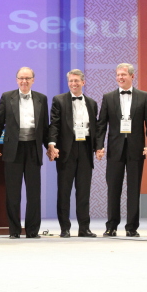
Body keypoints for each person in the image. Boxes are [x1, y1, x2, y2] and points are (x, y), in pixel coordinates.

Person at [95, 63, 147, 237]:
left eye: (123, 74)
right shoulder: (108, 97)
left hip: (136, 149)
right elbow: (102, 125)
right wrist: (99, 146)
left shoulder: (144, 97)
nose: (120, 77)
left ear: (132, 76)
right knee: (113, 188)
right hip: (115, 149)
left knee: (133, 188)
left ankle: (131, 227)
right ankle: (111, 226)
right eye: (118, 75)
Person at [0, 67, 49, 239]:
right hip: (12, 149)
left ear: (33, 80)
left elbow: (45, 127)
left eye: (27, 78)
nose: (24, 81)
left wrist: (50, 146)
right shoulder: (7, 97)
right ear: (16, 80)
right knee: (13, 193)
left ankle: (32, 230)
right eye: (21, 78)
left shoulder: (41, 99)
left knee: (33, 192)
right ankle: (14, 230)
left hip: (33, 149)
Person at [47, 69, 98, 238]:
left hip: (85, 149)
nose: (73, 84)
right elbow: (54, 124)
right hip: (66, 150)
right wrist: (52, 144)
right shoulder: (59, 100)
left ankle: (84, 227)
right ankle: (65, 228)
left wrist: (98, 147)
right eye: (71, 81)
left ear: (83, 82)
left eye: (77, 81)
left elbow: (95, 128)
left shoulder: (91, 103)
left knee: (83, 191)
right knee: (64, 191)